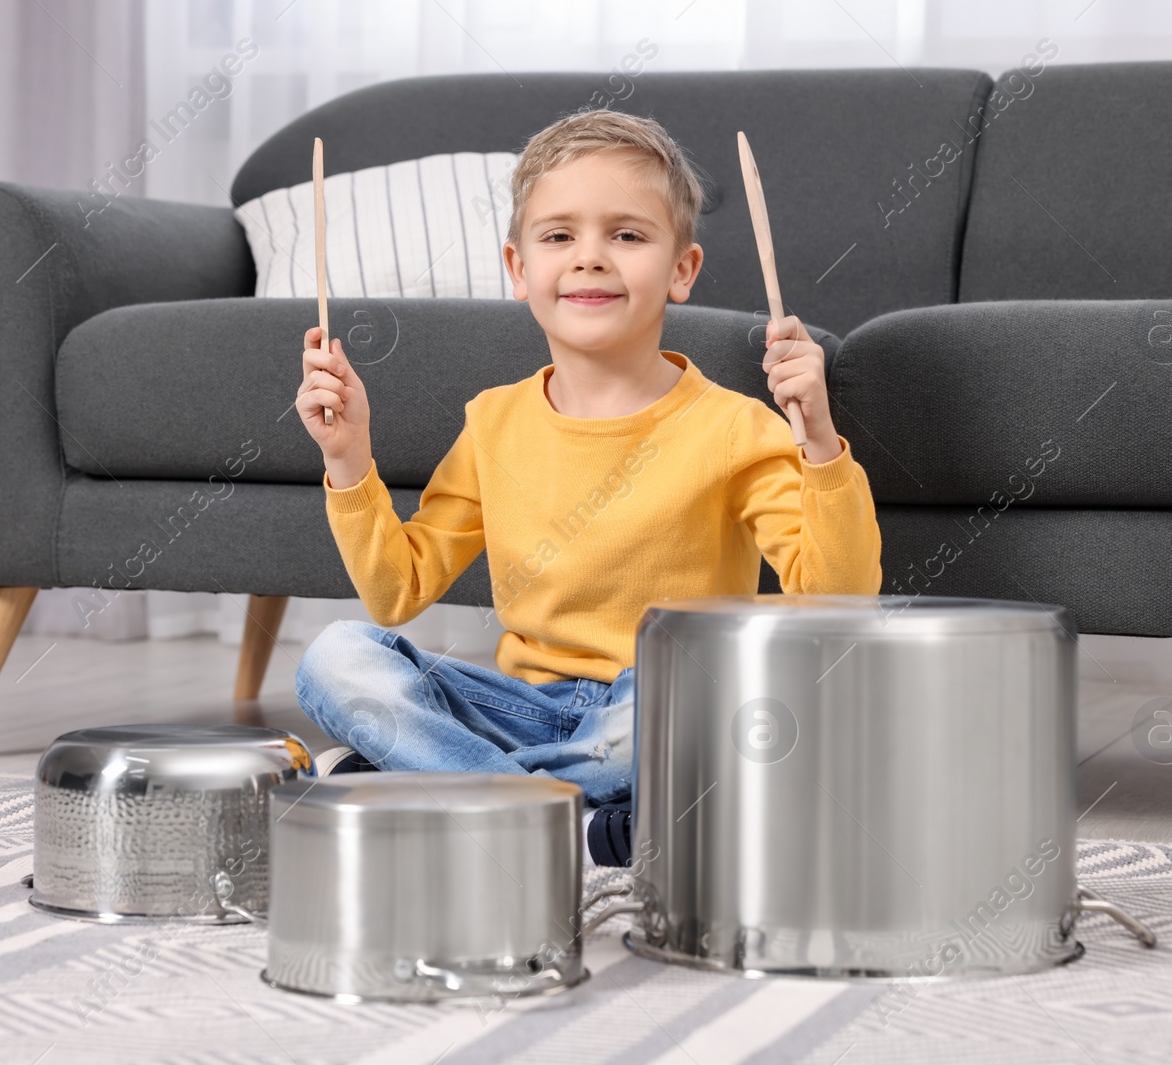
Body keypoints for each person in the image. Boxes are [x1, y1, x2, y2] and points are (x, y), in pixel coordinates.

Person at [292, 109, 881, 866]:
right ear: (518, 269)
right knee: (337, 655)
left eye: (627, 235)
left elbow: (837, 602)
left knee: (729, 695)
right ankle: (568, 823)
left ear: (683, 269)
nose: (590, 258)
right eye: (559, 235)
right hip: (521, 708)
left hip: (659, 705)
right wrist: (349, 458)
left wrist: (820, 442)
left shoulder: (738, 427)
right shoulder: (493, 420)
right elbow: (395, 591)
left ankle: (439, 793)